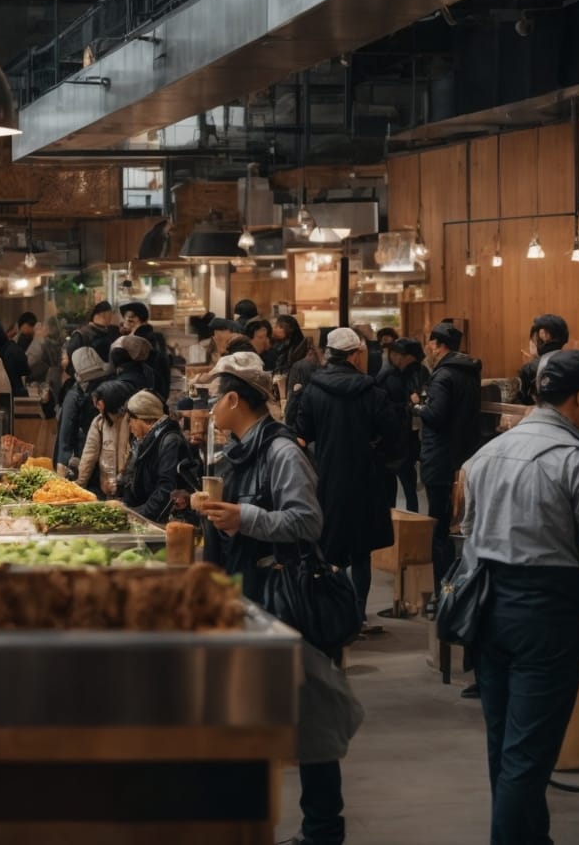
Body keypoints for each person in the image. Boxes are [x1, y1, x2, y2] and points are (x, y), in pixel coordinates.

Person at [462, 349, 579, 845]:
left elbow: (466, 530)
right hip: (546, 615)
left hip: (488, 607)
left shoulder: (487, 452)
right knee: (528, 757)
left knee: (503, 746)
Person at [197, 351, 344, 845]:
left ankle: (324, 830)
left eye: (213, 399)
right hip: (247, 594)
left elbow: (307, 522)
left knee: (309, 720)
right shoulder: (236, 450)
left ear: (234, 399)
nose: (209, 409)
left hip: (284, 596)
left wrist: (244, 518)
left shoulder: (281, 452)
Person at [288, 327, 407, 630]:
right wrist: (376, 454)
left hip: (327, 479)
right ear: (354, 355)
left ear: (330, 354)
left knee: (331, 549)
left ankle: (334, 614)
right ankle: (357, 615)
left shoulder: (314, 390)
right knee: (362, 551)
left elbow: (302, 434)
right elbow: (394, 435)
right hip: (366, 480)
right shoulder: (372, 391)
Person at [419, 324, 482, 594]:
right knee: (462, 523)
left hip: (440, 458)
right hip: (464, 455)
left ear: (437, 345)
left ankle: (443, 589)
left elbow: (437, 415)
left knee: (439, 527)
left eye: (429, 344)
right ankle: (461, 586)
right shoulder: (469, 372)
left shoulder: (443, 375)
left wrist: (417, 406)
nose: (428, 350)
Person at [119, 390, 199, 524]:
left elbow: (167, 489)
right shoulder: (146, 441)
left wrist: (138, 515)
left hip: (168, 522)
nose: (129, 425)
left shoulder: (170, 441)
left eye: (130, 420)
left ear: (141, 417)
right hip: (151, 517)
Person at [378, 337, 427, 513]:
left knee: (409, 483)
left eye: (399, 354)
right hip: (394, 438)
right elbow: (382, 407)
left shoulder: (420, 372)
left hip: (413, 435)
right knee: (393, 482)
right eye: (394, 354)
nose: (395, 357)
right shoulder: (387, 377)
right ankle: (390, 523)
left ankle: (413, 520)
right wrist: (407, 405)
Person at [71, 378, 132, 497]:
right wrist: (79, 486)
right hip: (108, 488)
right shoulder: (99, 422)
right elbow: (89, 455)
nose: (96, 406)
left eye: (98, 403)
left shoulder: (131, 420)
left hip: (129, 489)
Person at [54, 345, 111, 469]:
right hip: (92, 453)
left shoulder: (76, 393)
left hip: (85, 453)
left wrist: (62, 464)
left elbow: (66, 434)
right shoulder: (104, 388)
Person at [118, 301, 172, 401]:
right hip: (159, 389)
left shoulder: (137, 340)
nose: (125, 321)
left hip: (144, 391)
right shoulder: (155, 336)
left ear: (133, 320)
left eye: (127, 317)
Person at [513, 314, 571, 405]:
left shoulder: (530, 369)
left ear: (544, 335)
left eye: (533, 336)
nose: (531, 342)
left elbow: (522, 404)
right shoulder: (573, 362)